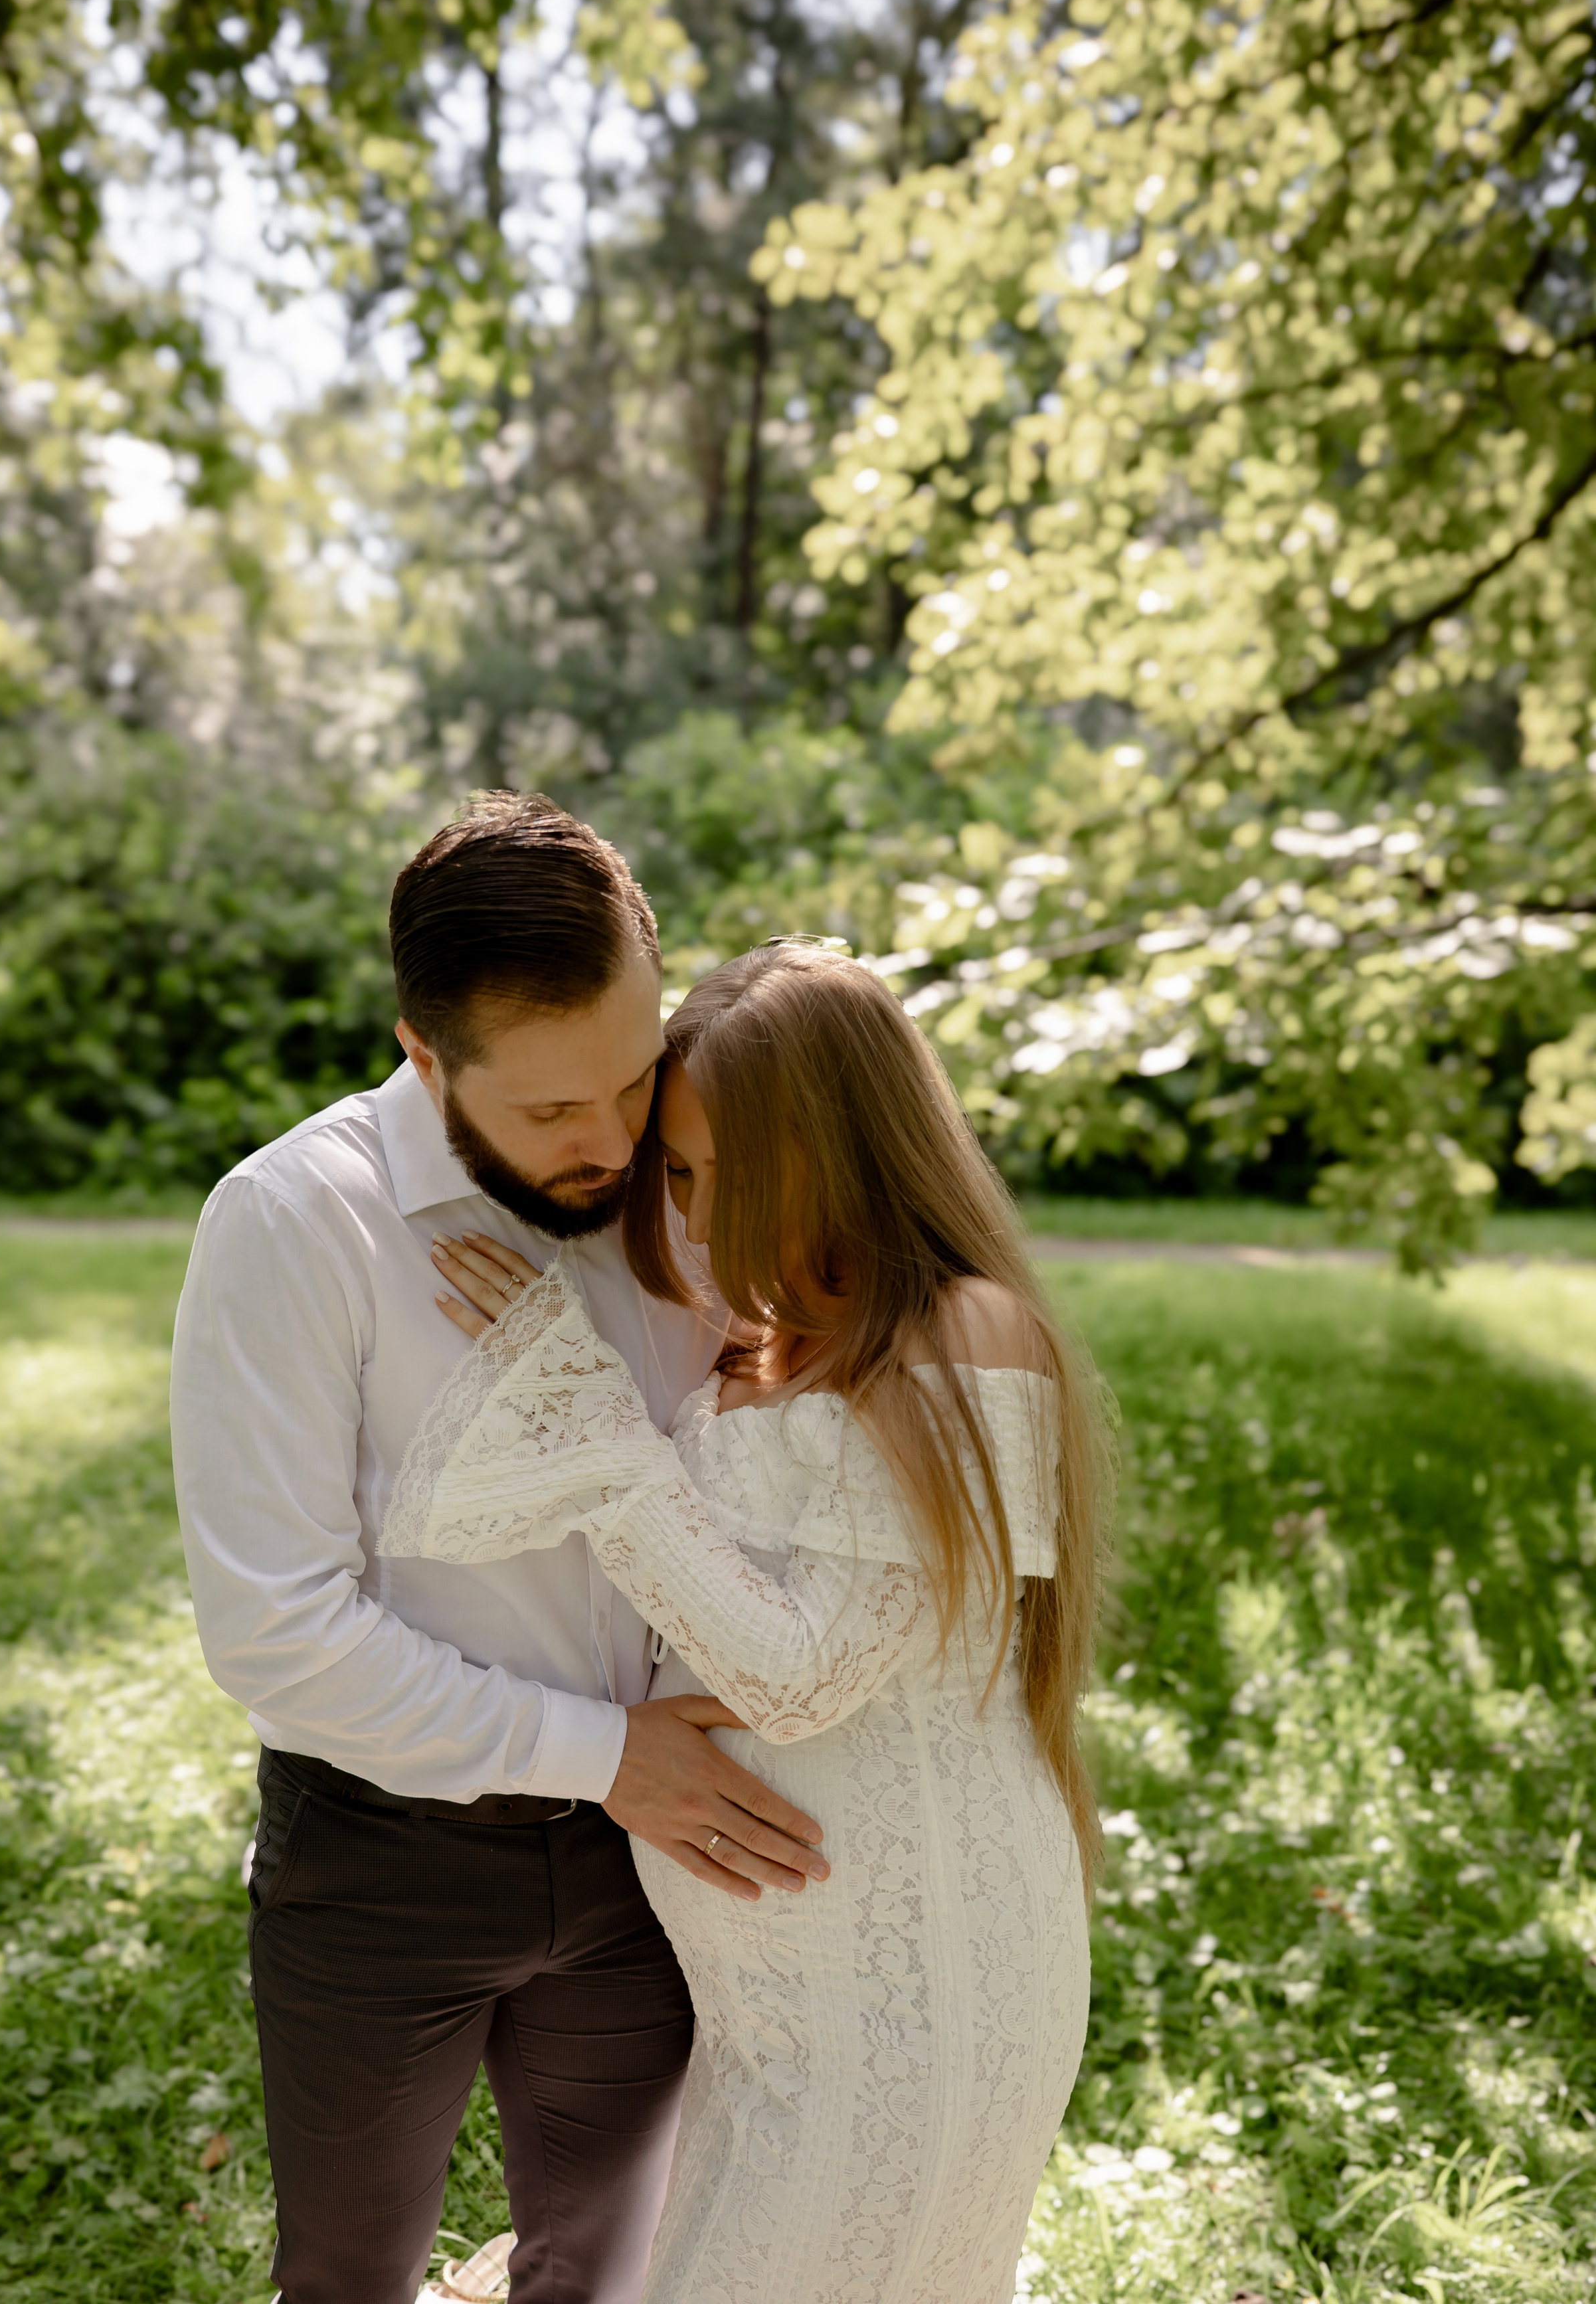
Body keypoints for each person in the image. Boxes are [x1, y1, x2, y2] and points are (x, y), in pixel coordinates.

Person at [169, 796, 831, 2304]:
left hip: (649, 1865)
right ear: (420, 1051)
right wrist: (605, 1752)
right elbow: (275, 1631)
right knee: (350, 2270)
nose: (608, 1144)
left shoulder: (689, 1171)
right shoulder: (293, 1224)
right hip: (382, 1859)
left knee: (606, 2268)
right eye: (545, 1112)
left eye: (631, 1074)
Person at [417, 938, 1109, 2304]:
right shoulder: (763, 1335)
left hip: (921, 1980)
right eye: (680, 1172)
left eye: (742, 1175)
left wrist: (596, 1436)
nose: (696, 1217)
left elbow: (802, 1677)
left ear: (853, 1153)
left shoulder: (965, 1334)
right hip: (765, 1995)